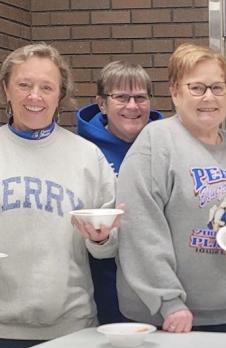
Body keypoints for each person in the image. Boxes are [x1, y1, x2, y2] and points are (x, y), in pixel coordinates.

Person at [0, 43, 119, 348]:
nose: (34, 96)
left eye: (46, 87)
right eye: (24, 85)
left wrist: (102, 237)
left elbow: (112, 238)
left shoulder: (87, 157)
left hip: (70, 325)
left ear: (60, 94)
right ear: (6, 89)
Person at [115, 43, 226, 334]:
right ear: (175, 91)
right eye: (197, 88)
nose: (209, 97)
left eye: (218, 88)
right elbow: (140, 228)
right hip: (167, 318)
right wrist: (168, 301)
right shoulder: (157, 141)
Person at [76, 61, 164, 325]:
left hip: (161, 278)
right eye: (122, 97)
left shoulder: (166, 147)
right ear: (102, 104)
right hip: (102, 279)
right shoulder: (80, 151)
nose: (132, 106)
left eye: (140, 97)